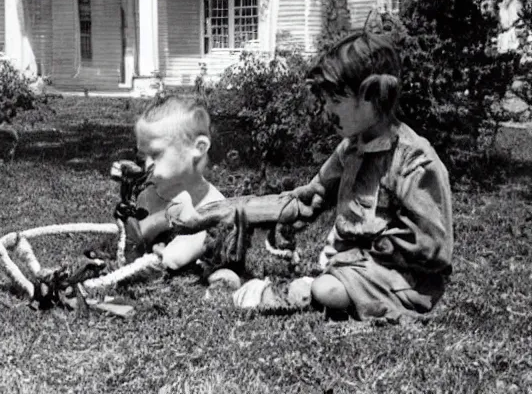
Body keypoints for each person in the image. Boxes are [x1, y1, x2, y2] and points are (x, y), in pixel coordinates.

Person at [202, 31, 453, 321]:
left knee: (325, 289)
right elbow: (312, 197)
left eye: (336, 99)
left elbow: (433, 247)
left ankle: (310, 292)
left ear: (372, 95)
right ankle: (312, 288)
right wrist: (233, 211)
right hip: (355, 268)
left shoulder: (413, 159)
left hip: (405, 278)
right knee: (327, 284)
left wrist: (358, 251)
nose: (327, 110)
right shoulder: (351, 149)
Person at [116, 95, 238, 285]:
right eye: (143, 156)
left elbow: (175, 257)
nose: (147, 165)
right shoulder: (150, 194)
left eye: (156, 154)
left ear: (198, 148)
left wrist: (162, 251)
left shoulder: (212, 208)